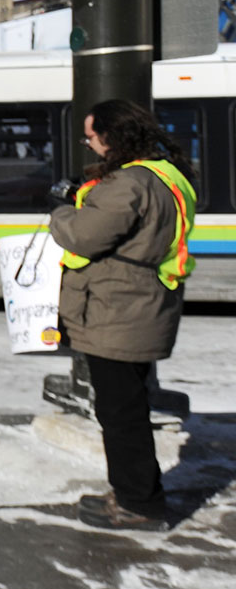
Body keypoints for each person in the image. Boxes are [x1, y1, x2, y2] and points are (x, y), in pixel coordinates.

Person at [48, 100, 197, 532]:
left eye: (91, 136)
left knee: (120, 414)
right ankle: (134, 492)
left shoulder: (129, 183)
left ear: (113, 137)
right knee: (126, 408)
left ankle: (139, 504)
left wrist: (59, 207)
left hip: (118, 310)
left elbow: (84, 235)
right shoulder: (167, 175)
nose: (89, 144)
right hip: (141, 306)